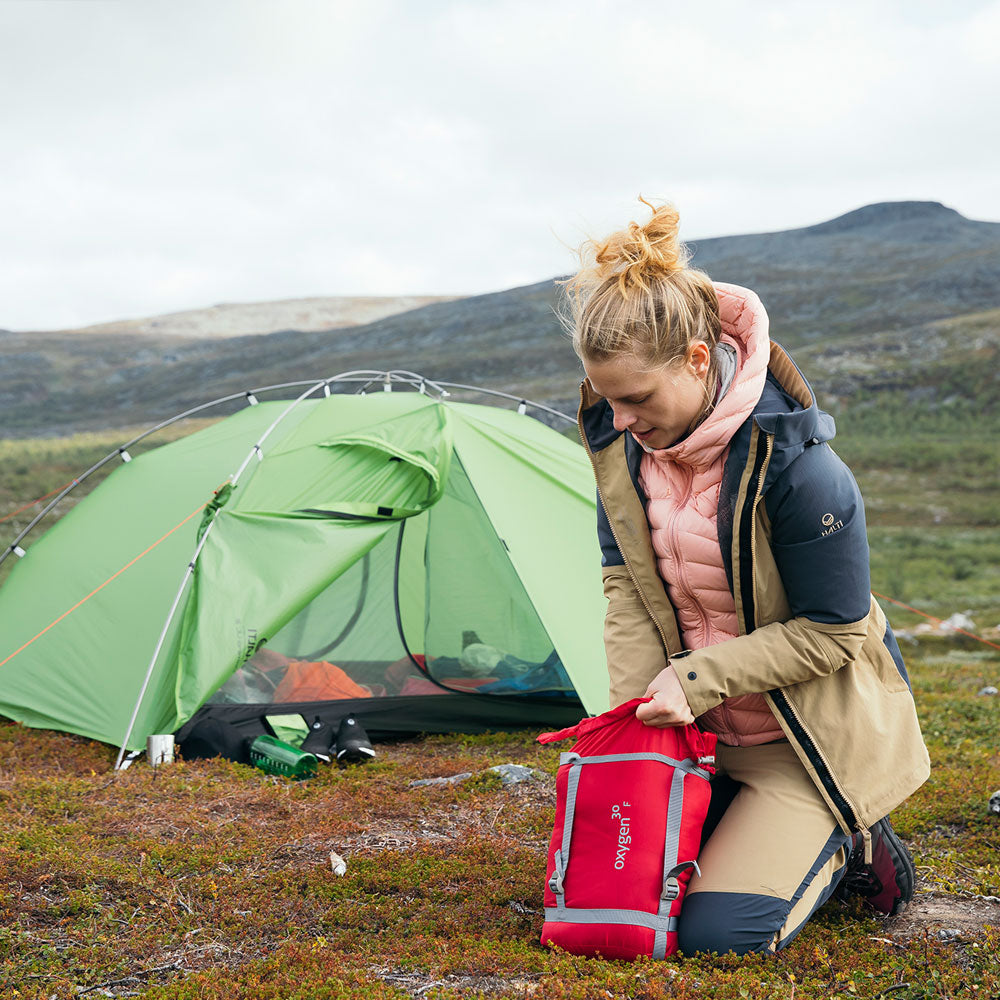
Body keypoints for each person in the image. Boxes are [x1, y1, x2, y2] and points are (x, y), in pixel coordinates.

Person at [566, 199, 930, 956]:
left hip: (800, 745)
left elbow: (838, 628)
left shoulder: (800, 470)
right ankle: (738, 818)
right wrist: (634, 730)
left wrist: (697, 679)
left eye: (638, 398)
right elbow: (627, 587)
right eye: (609, 400)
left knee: (714, 936)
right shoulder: (622, 450)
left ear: (698, 361)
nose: (623, 420)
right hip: (699, 739)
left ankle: (853, 839)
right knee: (620, 915)